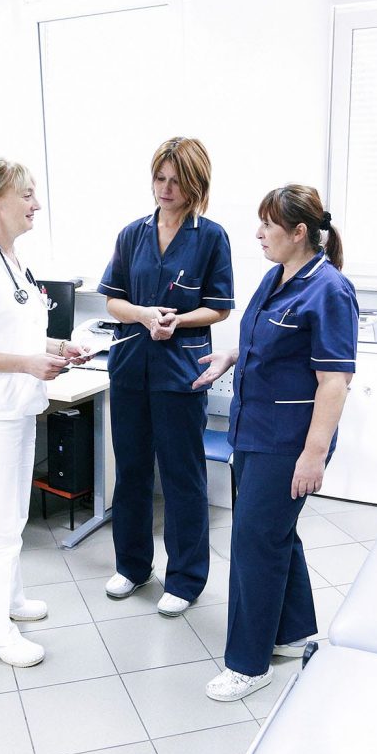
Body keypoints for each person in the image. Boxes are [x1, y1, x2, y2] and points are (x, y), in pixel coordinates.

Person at [193, 184, 358, 701]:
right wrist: (230, 357)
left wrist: (313, 455)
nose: (259, 234)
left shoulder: (329, 290)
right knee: (274, 534)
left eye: (268, 224)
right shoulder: (277, 275)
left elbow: (334, 382)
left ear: (299, 232)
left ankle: (248, 663)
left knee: (253, 543)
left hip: (288, 441)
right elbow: (267, 344)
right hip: (253, 429)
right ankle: (291, 632)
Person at [0, 158, 91, 668]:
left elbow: (14, 331)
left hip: (18, 409)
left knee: (12, 518)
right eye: (27, 195)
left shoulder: (12, 258)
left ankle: (9, 600)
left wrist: (58, 347)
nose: (37, 205)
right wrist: (28, 364)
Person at [98, 137, 234, 616]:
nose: (166, 189)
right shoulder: (132, 234)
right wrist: (141, 313)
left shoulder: (211, 237)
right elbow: (112, 299)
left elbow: (219, 307)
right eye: (160, 178)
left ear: (196, 185)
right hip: (130, 368)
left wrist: (177, 319)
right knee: (131, 471)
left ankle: (186, 578)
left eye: (177, 181)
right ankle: (133, 566)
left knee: (183, 476)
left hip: (180, 372)